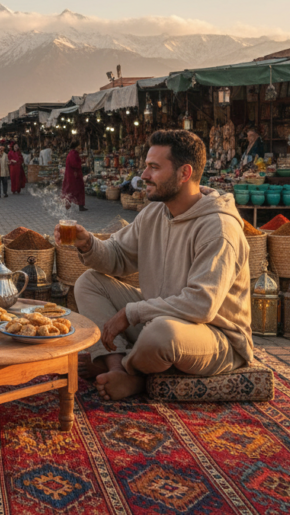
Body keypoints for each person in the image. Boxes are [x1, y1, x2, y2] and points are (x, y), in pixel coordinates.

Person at [67, 129, 253, 401]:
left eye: (154, 167)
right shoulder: (154, 212)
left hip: (214, 336)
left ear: (184, 173)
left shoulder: (218, 228)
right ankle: (117, 368)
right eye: (146, 166)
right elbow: (117, 255)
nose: (144, 175)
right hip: (158, 316)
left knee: (162, 334)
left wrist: (132, 312)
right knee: (89, 282)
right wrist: (88, 244)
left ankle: (134, 375)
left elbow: (201, 305)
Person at [62, 140, 88, 211]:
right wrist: (81, 164)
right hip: (74, 175)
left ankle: (79, 205)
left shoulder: (72, 153)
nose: (80, 147)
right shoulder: (73, 153)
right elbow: (74, 164)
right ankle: (69, 203)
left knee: (74, 190)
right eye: (79, 146)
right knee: (74, 190)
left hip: (73, 175)